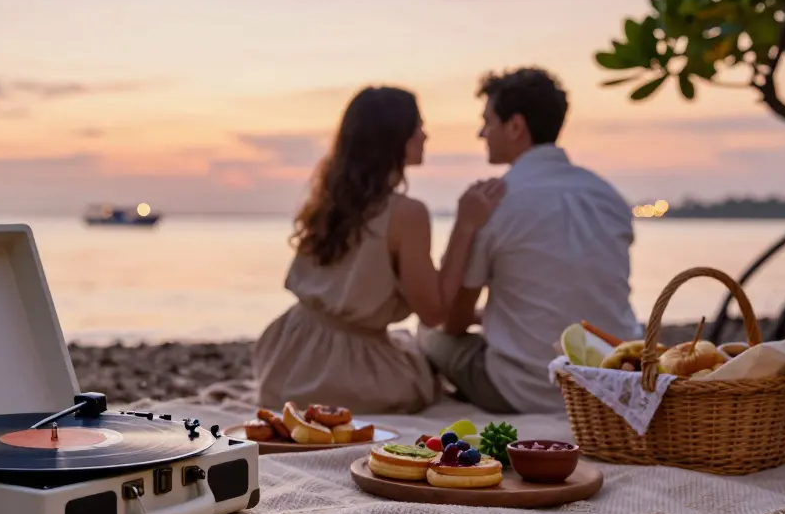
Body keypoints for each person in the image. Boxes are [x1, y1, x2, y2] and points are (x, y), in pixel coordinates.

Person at [253, 86, 506, 414]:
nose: (425, 136)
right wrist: (465, 226)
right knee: (422, 365)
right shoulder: (406, 213)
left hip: (287, 358)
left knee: (407, 344)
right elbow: (434, 313)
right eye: (418, 127)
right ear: (395, 138)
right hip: (344, 374)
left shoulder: (329, 199)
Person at [421, 67, 642, 414]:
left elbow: (454, 321)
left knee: (427, 332)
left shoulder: (496, 201)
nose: (481, 132)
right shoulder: (608, 196)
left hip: (525, 390)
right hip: (610, 382)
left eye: (488, 121)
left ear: (515, 126)